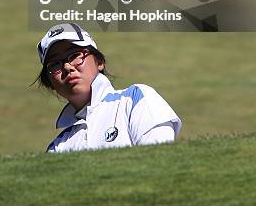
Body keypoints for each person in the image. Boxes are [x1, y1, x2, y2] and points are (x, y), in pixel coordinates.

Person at [36, 23, 181, 153]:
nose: (67, 67)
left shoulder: (135, 99)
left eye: (75, 55)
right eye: (55, 64)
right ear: (50, 83)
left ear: (99, 62)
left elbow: (160, 162)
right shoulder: (57, 148)